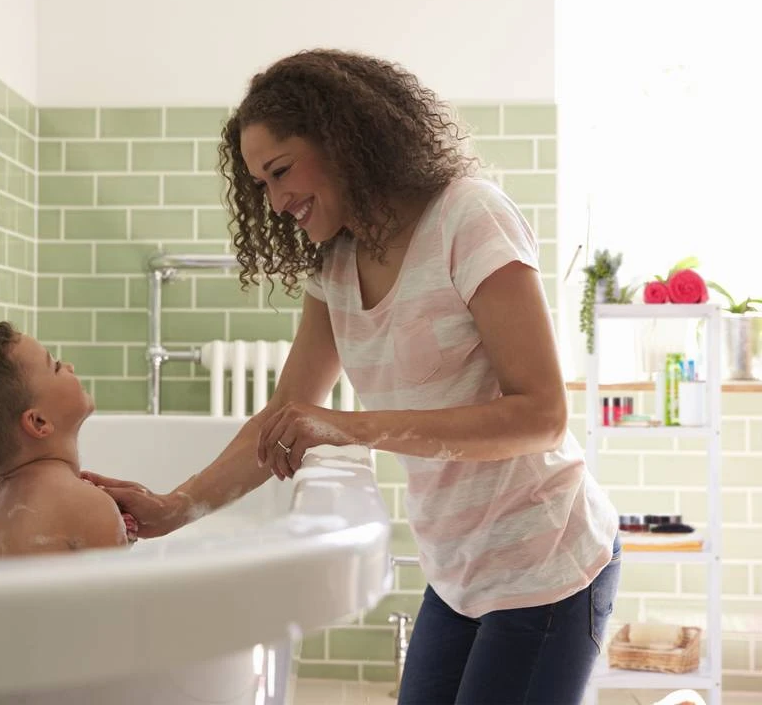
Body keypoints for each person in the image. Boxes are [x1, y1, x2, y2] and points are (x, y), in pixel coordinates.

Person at [85, 49, 620, 704]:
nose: (277, 201)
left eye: (281, 171)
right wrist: (172, 508)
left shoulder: (468, 217)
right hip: (455, 574)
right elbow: (286, 414)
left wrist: (347, 428)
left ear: (344, 139)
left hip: (548, 562)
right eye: (261, 185)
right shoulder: (334, 265)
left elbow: (542, 415)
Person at [0, 322, 137, 559]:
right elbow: (125, 592)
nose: (69, 366)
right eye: (55, 367)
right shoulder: (87, 505)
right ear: (39, 422)